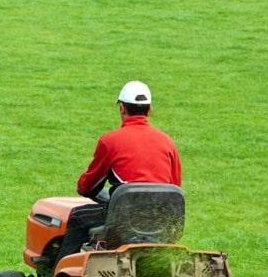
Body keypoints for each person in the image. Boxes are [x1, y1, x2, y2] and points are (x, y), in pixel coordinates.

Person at [53, 80, 182, 265]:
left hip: (124, 218)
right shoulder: (167, 142)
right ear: (150, 110)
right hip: (159, 220)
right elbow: (175, 187)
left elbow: (86, 186)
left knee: (77, 218)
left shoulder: (111, 141)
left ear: (122, 108)